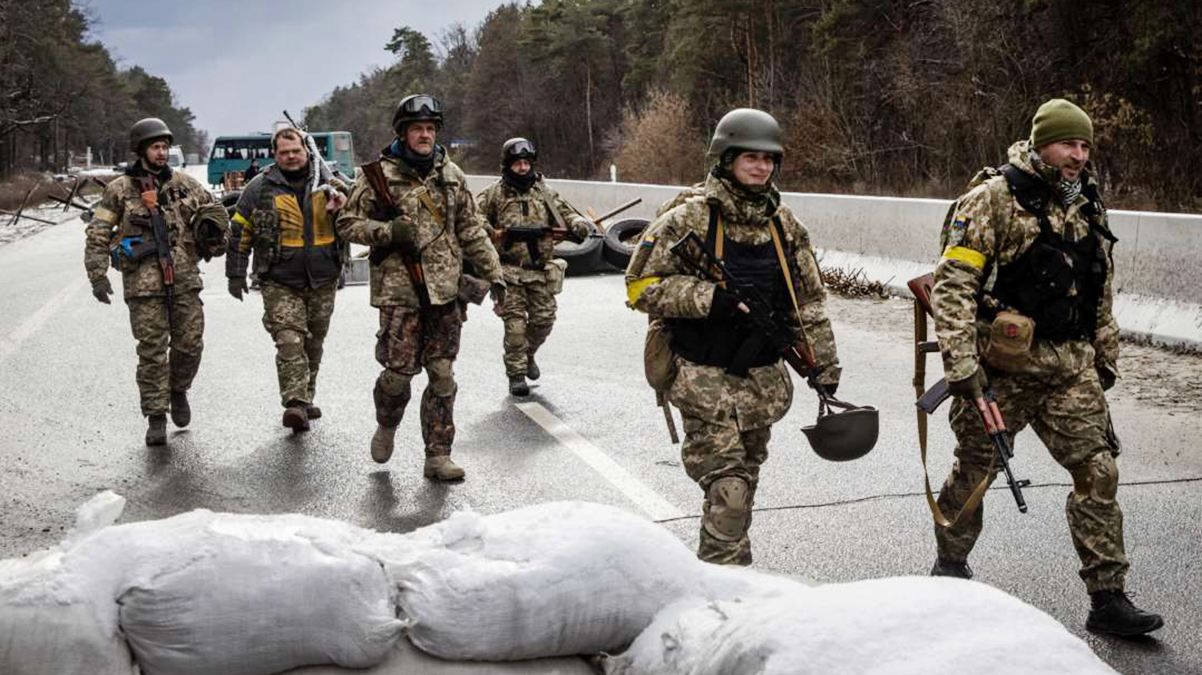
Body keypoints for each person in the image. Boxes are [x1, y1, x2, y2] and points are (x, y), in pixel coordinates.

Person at [929, 98, 1163, 636]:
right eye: (1066, 145)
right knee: (974, 472)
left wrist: (1104, 357)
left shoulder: (1088, 203)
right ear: (1040, 145)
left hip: (1070, 369)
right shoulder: (991, 200)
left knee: (1098, 472)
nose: (1078, 156)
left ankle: (1108, 598)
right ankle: (949, 570)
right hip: (1002, 371)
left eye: (1084, 146)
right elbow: (954, 287)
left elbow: (1099, 287)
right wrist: (961, 365)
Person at [625, 108, 840, 565]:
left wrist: (824, 364)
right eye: (750, 158)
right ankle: (723, 585)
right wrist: (708, 298)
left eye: (769, 159)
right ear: (725, 158)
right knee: (729, 493)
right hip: (703, 380)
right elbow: (639, 286)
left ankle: (728, 571)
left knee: (745, 483)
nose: (761, 167)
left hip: (761, 384)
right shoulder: (688, 219)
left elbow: (808, 303)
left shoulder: (784, 226)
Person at [336, 94, 504, 480]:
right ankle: (387, 422)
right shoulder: (378, 176)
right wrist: (386, 232)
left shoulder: (452, 175)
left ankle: (438, 455)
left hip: (445, 291)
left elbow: (471, 228)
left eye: (430, 129)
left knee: (442, 375)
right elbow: (346, 223)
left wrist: (495, 274)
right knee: (397, 376)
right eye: (417, 129)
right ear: (403, 133)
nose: (425, 135)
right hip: (400, 293)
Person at [84, 118, 228, 446]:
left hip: (184, 279)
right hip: (143, 285)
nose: (162, 153)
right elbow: (98, 232)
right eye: (155, 147)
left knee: (190, 344)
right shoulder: (119, 190)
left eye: (165, 147)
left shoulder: (185, 185)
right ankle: (156, 416)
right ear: (141, 150)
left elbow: (218, 218)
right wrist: (97, 275)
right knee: (151, 352)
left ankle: (178, 389)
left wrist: (214, 238)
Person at [226, 127, 348, 431]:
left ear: (306, 151)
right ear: (275, 155)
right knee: (290, 341)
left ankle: (306, 396)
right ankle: (295, 403)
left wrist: (344, 200)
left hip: (323, 277)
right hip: (279, 279)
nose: (291, 157)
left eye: (296, 151)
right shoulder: (259, 187)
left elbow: (361, 208)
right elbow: (240, 231)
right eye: (284, 153)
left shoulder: (329, 182)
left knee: (314, 343)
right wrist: (235, 273)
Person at [475, 138, 591, 396]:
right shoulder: (494, 193)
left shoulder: (544, 192)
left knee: (544, 320)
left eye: (527, 163)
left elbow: (566, 213)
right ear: (508, 165)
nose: (523, 168)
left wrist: (579, 224)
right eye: (518, 163)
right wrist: (492, 231)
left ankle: (528, 355)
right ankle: (516, 375)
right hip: (508, 272)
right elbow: (473, 217)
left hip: (539, 270)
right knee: (515, 327)